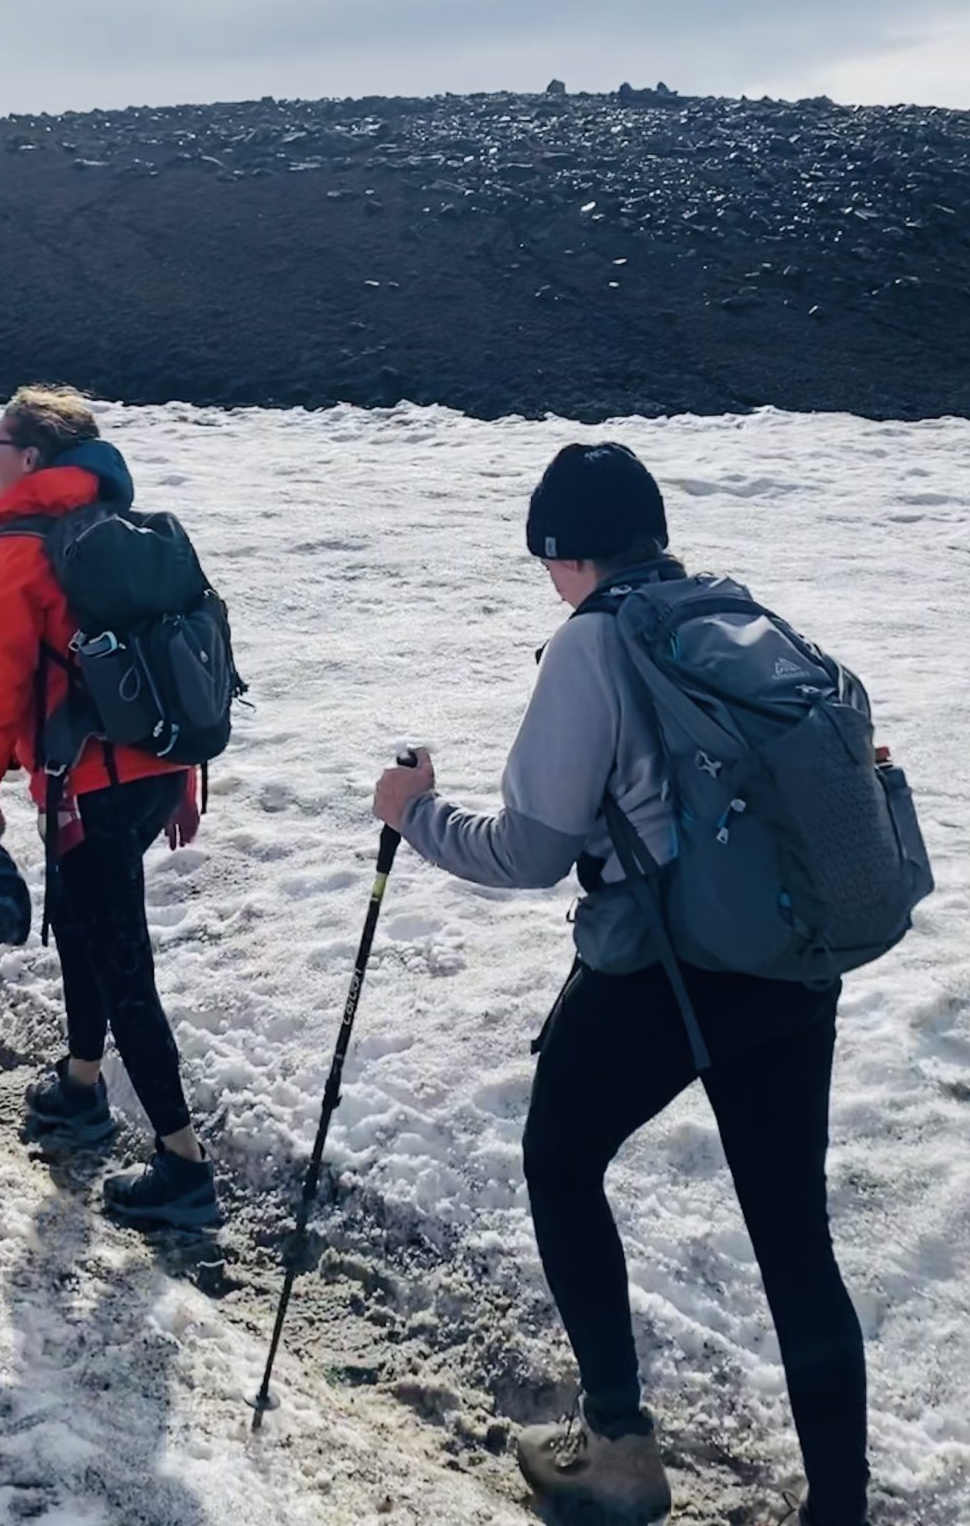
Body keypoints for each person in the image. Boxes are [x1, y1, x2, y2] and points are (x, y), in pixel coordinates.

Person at [372, 443, 870, 1526]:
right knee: (793, 1232)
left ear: (565, 551)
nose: (548, 580)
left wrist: (411, 810)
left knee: (557, 1157)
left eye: (547, 560)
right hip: (790, 955)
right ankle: (840, 1507)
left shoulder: (594, 647)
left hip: (667, 968)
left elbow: (529, 850)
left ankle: (621, 1453)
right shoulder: (737, 616)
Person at [0, 385, 214, 1229]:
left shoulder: (23, 546)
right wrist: (185, 774)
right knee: (84, 923)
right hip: (149, 775)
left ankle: (181, 1162)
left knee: (120, 958)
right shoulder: (123, 529)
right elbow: (181, 650)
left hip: (88, 787)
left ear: (30, 459)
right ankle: (80, 1080)